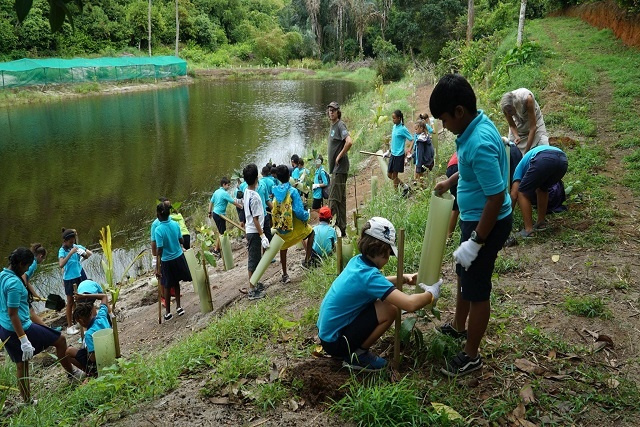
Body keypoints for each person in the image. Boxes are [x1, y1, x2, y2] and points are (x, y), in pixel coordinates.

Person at [431, 73, 512, 377]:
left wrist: (476, 241)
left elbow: (496, 196)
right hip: (474, 219)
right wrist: (450, 180)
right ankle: (457, 326)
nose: (444, 126)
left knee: (477, 289)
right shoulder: (476, 125)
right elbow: (471, 171)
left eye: (444, 120)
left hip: (486, 223)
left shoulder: (477, 143)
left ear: (459, 112)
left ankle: (471, 355)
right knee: (464, 275)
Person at [317, 217, 442, 371]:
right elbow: (409, 304)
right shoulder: (369, 277)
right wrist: (431, 294)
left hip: (328, 335)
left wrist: (403, 279)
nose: (388, 258)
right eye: (389, 254)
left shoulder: (358, 262)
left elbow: (377, 283)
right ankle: (358, 356)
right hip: (336, 342)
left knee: (383, 303)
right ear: (382, 251)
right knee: (390, 308)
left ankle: (354, 351)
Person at [1, 248, 84, 403]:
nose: (27, 270)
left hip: (5, 329)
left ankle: (27, 402)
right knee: (60, 340)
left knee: (22, 366)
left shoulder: (3, 275)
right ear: (20, 264)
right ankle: (72, 374)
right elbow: (13, 314)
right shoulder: (13, 284)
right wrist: (24, 340)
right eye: (26, 267)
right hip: (20, 328)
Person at [510, 145, 568, 238]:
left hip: (544, 158)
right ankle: (541, 222)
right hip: (563, 160)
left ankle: (528, 230)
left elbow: (514, 195)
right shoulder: (528, 161)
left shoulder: (518, 170)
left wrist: (505, 217)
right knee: (542, 189)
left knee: (522, 192)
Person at [272, 165, 315, 283]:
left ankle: (285, 274)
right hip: (295, 226)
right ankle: (307, 261)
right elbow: (299, 211)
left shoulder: (276, 191)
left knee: (283, 247)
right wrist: (306, 216)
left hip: (283, 226)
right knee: (311, 233)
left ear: (278, 178)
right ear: (289, 176)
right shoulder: (293, 191)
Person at [154, 202, 192, 321]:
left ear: (158, 215)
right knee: (176, 283)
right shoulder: (175, 224)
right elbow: (181, 240)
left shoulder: (158, 230)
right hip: (178, 257)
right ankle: (179, 307)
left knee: (167, 284)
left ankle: (168, 312)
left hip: (167, 260)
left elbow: (159, 250)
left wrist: (157, 267)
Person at [65, 292, 111, 376]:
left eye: (78, 322)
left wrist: (87, 351)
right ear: (90, 313)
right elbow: (104, 296)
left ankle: (91, 373)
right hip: (111, 353)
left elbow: (93, 358)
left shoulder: (89, 334)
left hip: (99, 363)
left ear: (81, 321)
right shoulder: (102, 316)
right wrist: (85, 296)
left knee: (69, 351)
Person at [241, 163, 269, 300]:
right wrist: (262, 235)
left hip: (250, 230)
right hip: (254, 231)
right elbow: (256, 219)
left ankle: (255, 282)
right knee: (253, 260)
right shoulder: (255, 197)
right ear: (257, 178)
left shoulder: (246, 192)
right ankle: (252, 290)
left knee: (255, 258)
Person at [59, 228, 92, 335]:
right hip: (69, 279)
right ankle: (69, 326)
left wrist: (82, 253)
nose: (72, 244)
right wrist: (70, 253)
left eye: (73, 242)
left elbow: (88, 255)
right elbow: (61, 264)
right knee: (70, 302)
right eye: (70, 242)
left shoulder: (76, 247)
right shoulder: (62, 250)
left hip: (78, 276)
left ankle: (79, 321)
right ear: (65, 241)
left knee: (81, 299)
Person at [327, 101, 353, 237]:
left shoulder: (340, 125)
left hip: (340, 168)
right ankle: (342, 230)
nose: (331, 112)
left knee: (333, 200)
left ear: (338, 112)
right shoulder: (333, 126)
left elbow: (349, 141)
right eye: (330, 110)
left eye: (334, 110)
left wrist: (339, 156)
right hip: (337, 170)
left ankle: (329, 231)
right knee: (341, 200)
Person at [500, 88, 549, 154]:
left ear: (515, 106)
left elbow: (533, 127)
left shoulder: (528, 99)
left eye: (510, 111)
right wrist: (516, 136)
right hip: (519, 123)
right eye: (507, 112)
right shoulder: (505, 106)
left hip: (534, 121)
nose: (509, 114)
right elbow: (512, 125)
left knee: (543, 145)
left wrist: (526, 152)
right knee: (510, 149)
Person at [208, 178, 243, 256]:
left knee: (221, 232)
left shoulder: (216, 191)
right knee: (222, 233)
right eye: (228, 185)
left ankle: (218, 248)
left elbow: (211, 202)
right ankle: (216, 250)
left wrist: (209, 212)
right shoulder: (224, 193)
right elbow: (233, 202)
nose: (229, 186)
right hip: (220, 215)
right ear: (224, 184)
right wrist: (241, 207)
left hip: (215, 214)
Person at [387, 110, 413, 193]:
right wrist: (389, 151)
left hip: (399, 155)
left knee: (394, 175)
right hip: (393, 154)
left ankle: (396, 194)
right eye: (392, 118)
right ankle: (405, 186)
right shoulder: (394, 127)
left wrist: (409, 150)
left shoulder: (403, 129)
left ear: (399, 118)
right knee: (389, 175)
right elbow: (394, 140)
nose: (393, 120)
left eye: (394, 118)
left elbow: (412, 139)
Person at [22, 243, 47, 327]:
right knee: (30, 311)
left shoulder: (31, 260)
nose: (42, 261)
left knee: (28, 311)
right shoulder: (33, 263)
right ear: (40, 256)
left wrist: (35, 295)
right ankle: (46, 328)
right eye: (43, 258)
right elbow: (24, 277)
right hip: (19, 289)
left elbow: (27, 281)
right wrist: (25, 292)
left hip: (19, 287)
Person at [409, 118, 435, 183]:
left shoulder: (420, 141)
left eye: (416, 129)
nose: (415, 131)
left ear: (421, 128)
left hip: (423, 163)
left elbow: (420, 154)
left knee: (421, 181)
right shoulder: (426, 137)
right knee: (426, 179)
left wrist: (418, 167)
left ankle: (422, 191)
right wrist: (412, 155)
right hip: (429, 162)